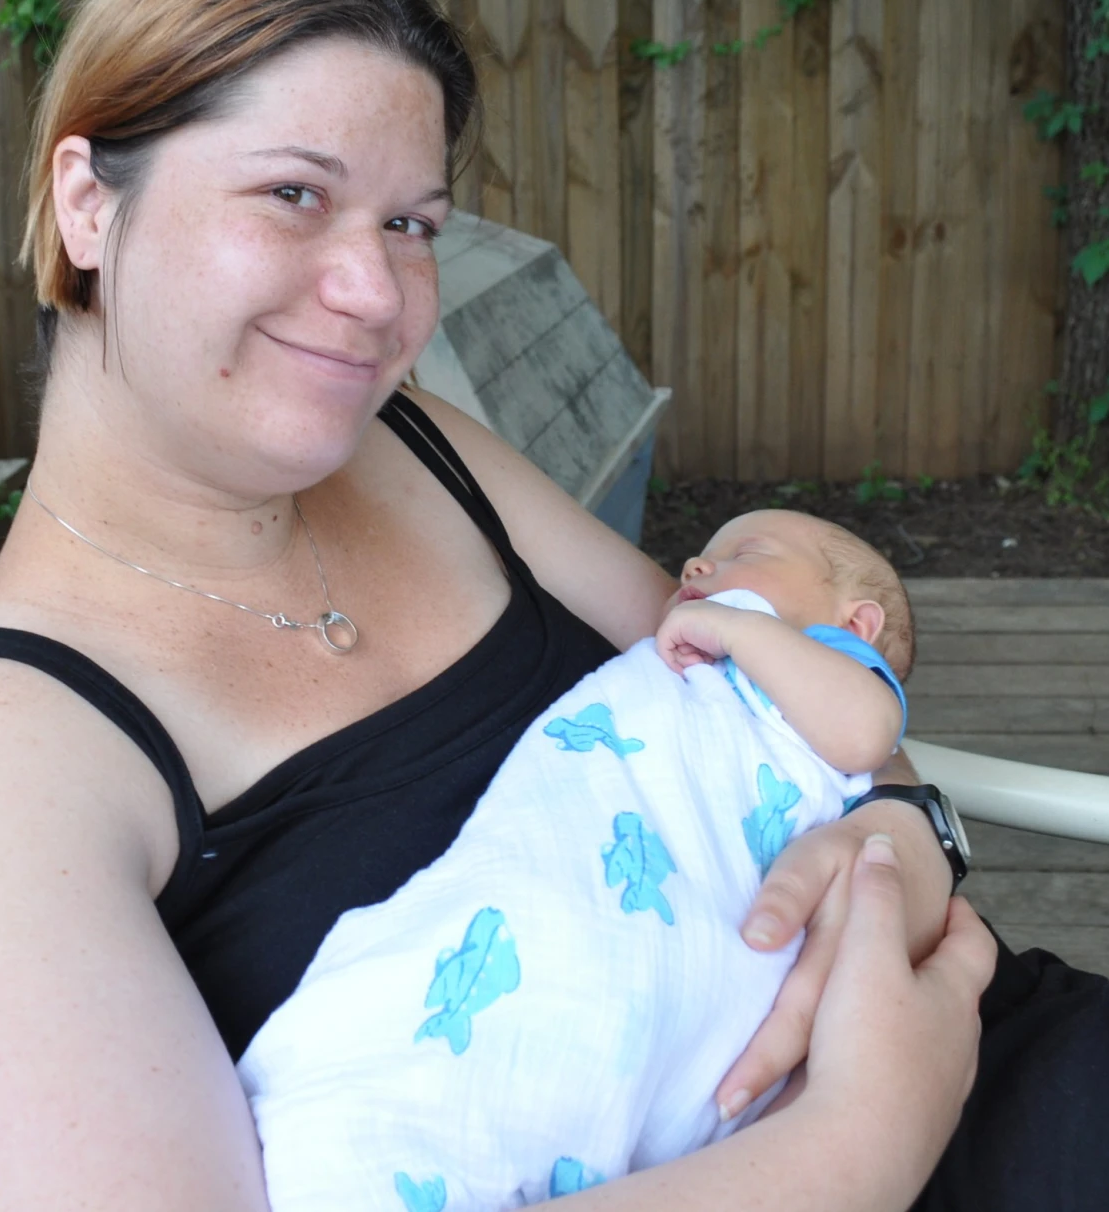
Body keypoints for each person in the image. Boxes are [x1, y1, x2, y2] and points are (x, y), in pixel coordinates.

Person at [0, 0, 1109, 1212]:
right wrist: (852, 1142)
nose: (378, 293)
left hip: (995, 1054)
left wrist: (908, 832)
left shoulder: (426, 450)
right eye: (295, 193)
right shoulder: (2, 763)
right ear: (90, 200)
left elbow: (764, 683)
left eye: (411, 220)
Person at [240, 510, 920, 1210]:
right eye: (699, 554)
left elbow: (867, 733)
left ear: (854, 625)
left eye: (744, 553)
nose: (695, 567)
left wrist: (739, 627)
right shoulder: (690, 669)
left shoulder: (826, 673)